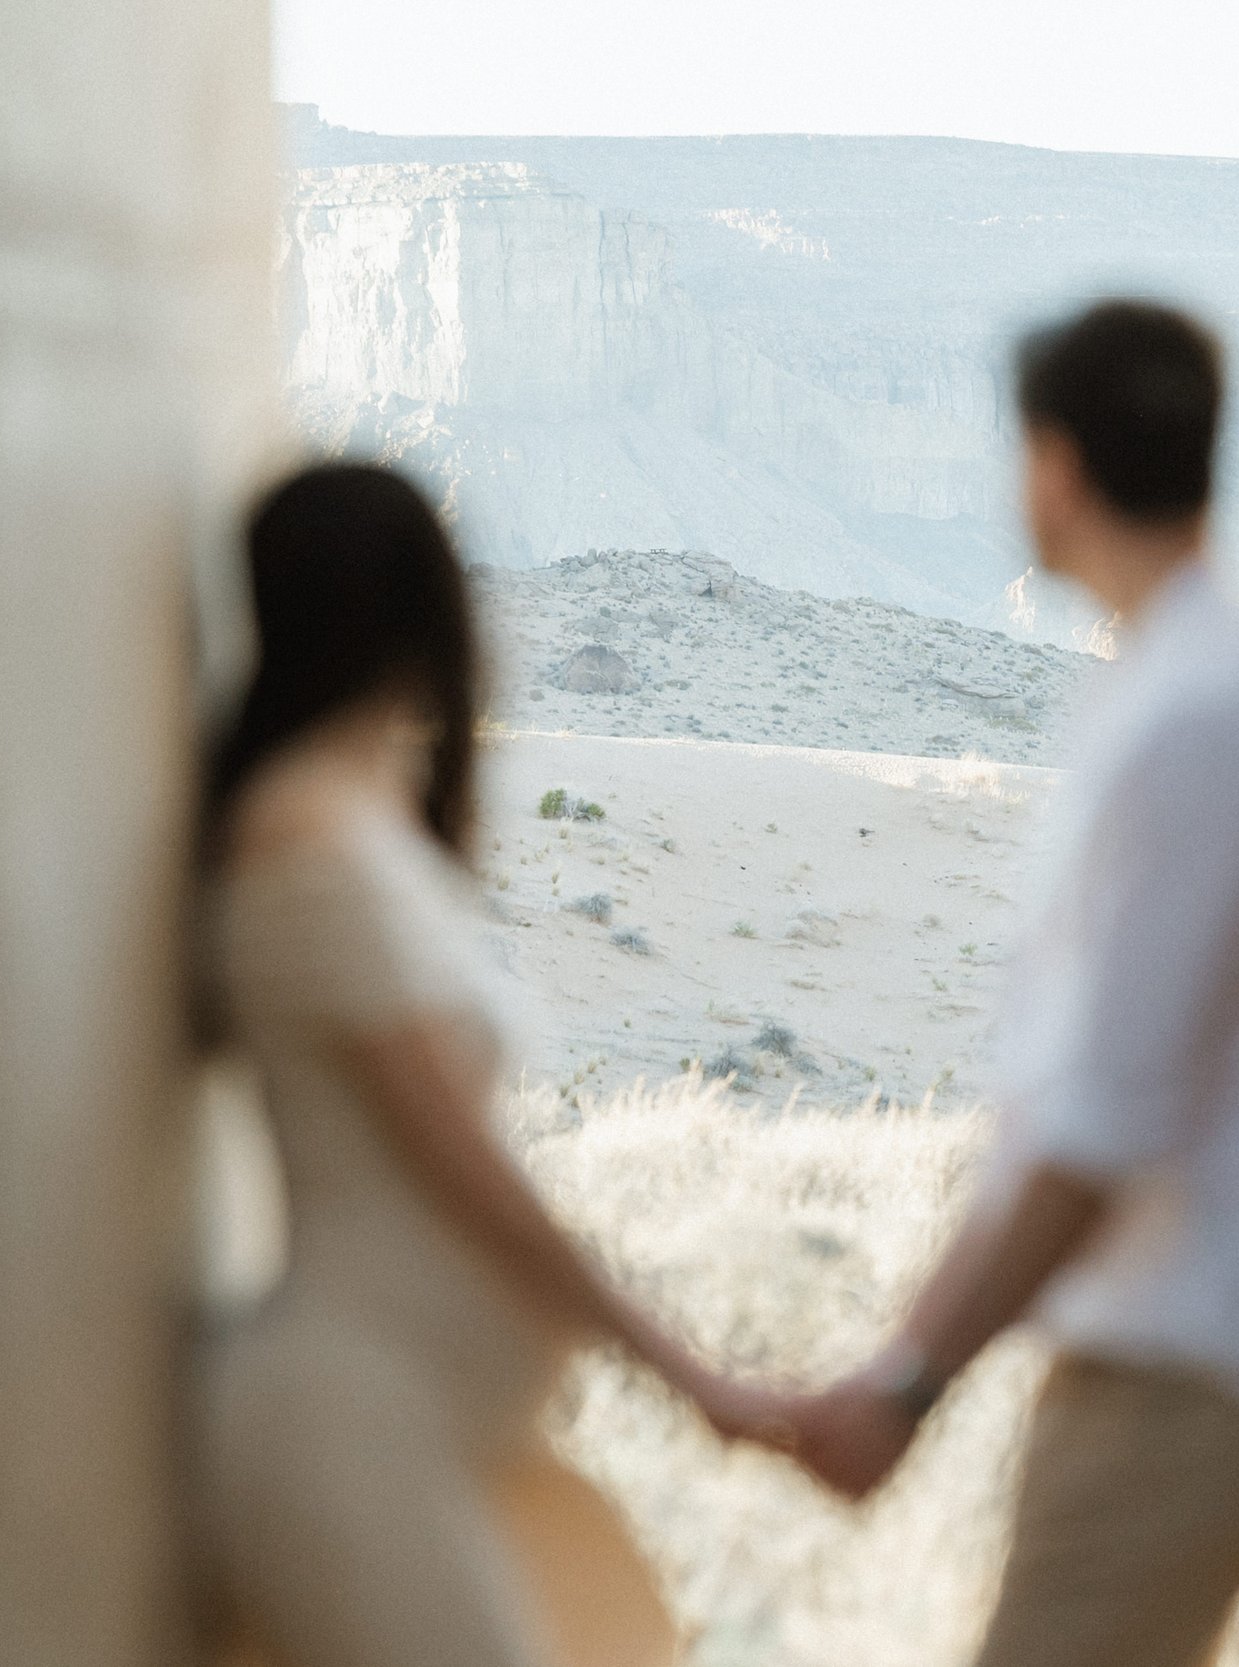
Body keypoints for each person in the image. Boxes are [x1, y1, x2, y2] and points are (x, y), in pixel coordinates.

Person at [777, 301, 1239, 1667]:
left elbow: (1101, 1121)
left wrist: (906, 1381)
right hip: (1178, 1341)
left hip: (1197, 1358)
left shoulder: (1197, 723)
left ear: (1052, 469)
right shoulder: (1194, 692)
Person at [190, 464, 780, 1667]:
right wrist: (684, 1372)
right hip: (345, 1419)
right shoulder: (300, 832)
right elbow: (461, 1168)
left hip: (406, 1422)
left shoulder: (366, 819)